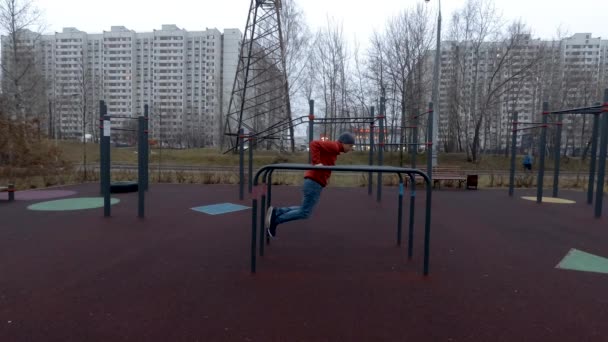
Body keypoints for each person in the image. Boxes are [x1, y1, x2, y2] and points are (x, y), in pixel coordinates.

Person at [265, 132, 355, 238]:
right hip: (314, 182)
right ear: (344, 143)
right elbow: (314, 144)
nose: (350, 149)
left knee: (304, 208)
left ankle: (278, 211)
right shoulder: (335, 146)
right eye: (350, 146)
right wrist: (316, 163)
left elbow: (324, 158)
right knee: (305, 212)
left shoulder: (335, 149)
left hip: (314, 181)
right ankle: (275, 221)